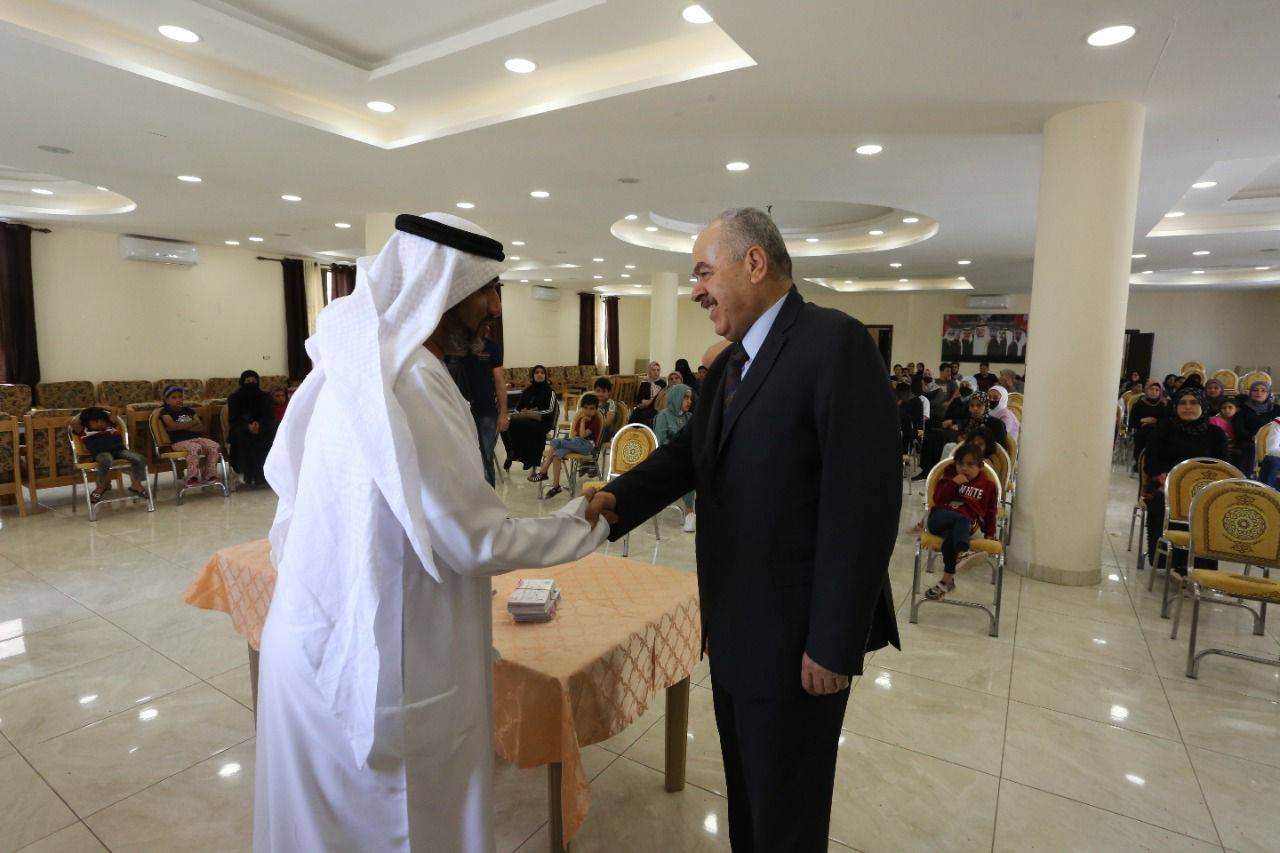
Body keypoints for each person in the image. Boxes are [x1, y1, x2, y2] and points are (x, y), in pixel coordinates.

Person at [255, 212, 608, 852]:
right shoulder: (412, 379)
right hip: (381, 669)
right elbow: (478, 541)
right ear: (442, 286)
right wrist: (584, 522)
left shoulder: (363, 362)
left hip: (317, 645)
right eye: (487, 290)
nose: (495, 308)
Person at [585, 207, 900, 851]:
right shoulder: (732, 364)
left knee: (788, 814)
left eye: (704, 273)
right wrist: (615, 499)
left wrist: (834, 644)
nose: (696, 290)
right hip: (735, 631)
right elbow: (688, 456)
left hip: (799, 643)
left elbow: (863, 505)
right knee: (750, 798)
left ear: (754, 263)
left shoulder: (834, 344)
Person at [1142, 386, 1228, 570]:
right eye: (1182, 403)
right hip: (1167, 485)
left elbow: (1222, 467)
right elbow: (1151, 462)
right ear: (1175, 406)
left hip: (1203, 489)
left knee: (1211, 509)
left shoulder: (1216, 434)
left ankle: (1201, 563)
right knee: (1161, 503)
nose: (1188, 407)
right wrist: (1163, 477)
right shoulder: (1164, 429)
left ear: (1203, 406)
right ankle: (1166, 560)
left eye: (1194, 402)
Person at [923, 442, 998, 601]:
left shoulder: (988, 486)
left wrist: (990, 533)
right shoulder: (950, 477)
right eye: (960, 464)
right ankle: (962, 553)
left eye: (970, 464)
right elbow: (938, 499)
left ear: (980, 466)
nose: (964, 468)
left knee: (952, 537)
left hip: (965, 525)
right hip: (940, 518)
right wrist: (953, 483)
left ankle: (946, 582)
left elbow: (991, 512)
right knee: (961, 520)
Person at [445, 322, 505, 487]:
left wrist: (503, 413)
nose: (487, 328)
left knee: (485, 458)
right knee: (462, 459)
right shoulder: (455, 347)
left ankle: (489, 499)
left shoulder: (491, 347)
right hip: (459, 412)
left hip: (486, 413)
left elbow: (499, 380)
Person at [529, 393, 601, 498]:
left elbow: (582, 435)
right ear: (582, 408)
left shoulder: (595, 421)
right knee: (556, 455)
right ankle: (556, 486)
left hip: (587, 446)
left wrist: (583, 422)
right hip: (576, 443)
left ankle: (543, 471)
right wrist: (580, 423)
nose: (588, 411)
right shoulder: (580, 418)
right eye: (585, 408)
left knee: (556, 442)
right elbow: (575, 435)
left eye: (591, 408)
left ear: (596, 409)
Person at [74, 406, 148, 503]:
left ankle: (136, 484)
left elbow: (114, 409)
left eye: (102, 420)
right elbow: (72, 422)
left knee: (140, 458)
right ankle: (101, 486)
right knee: (105, 460)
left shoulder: (110, 425)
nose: (100, 423)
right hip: (102, 453)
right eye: (95, 422)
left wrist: (99, 407)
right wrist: (86, 413)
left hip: (119, 451)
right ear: (87, 423)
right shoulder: (83, 431)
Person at [653, 383, 697, 532]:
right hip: (667, 459)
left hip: (687, 458)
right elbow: (660, 442)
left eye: (690, 398)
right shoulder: (663, 416)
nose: (689, 401)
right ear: (676, 397)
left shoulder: (690, 417)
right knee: (688, 471)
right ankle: (690, 513)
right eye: (685, 397)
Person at [159, 386, 223, 486]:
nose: (178, 399)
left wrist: (180, 427)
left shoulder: (189, 410)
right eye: (174, 397)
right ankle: (192, 478)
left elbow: (200, 427)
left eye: (180, 397)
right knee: (195, 448)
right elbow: (172, 425)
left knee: (214, 446)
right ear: (166, 400)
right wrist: (192, 423)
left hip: (196, 438)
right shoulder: (165, 411)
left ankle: (210, 475)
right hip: (179, 441)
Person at [227, 370, 277, 486]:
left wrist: (259, 424)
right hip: (241, 427)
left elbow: (269, 415)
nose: (251, 383)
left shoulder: (264, 397)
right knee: (242, 436)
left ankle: (267, 473)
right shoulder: (234, 398)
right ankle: (246, 473)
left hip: (262, 427)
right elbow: (234, 418)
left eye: (254, 381)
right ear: (242, 382)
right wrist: (247, 426)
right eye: (248, 381)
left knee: (271, 432)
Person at [504, 365, 555, 470]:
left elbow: (550, 410)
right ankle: (512, 453)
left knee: (520, 425)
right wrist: (522, 412)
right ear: (532, 376)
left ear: (545, 375)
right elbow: (517, 409)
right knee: (504, 426)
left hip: (543, 421)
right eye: (537, 372)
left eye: (542, 373)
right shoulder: (528, 391)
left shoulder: (550, 391)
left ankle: (527, 458)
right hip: (527, 420)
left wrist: (533, 412)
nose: (540, 374)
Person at [1236, 380, 1280, 477]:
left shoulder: (1277, 409)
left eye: (1263, 390)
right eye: (1255, 390)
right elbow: (1239, 429)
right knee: (1249, 448)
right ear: (1250, 392)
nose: (1259, 393)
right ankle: (1245, 479)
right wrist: (1253, 437)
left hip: (1274, 442)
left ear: (1268, 393)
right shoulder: (1243, 409)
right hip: (1250, 441)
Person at [1128, 380, 1168, 474]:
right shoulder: (1138, 404)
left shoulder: (1163, 406)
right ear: (1146, 390)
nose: (1154, 392)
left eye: (1157, 390)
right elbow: (1132, 422)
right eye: (1151, 389)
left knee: (1156, 436)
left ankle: (1153, 463)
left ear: (1160, 392)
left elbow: (1165, 422)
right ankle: (1140, 462)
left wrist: (1154, 422)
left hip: (1158, 431)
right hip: (1141, 430)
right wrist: (1142, 421)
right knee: (1144, 434)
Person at [1211, 398, 1246, 473]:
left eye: (1230, 407)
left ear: (1236, 409)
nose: (1227, 410)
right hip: (1219, 447)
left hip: (1235, 447)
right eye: (1224, 408)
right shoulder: (1213, 420)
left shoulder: (1239, 421)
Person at [630, 360, 667, 426]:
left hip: (657, 407)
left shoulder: (663, 383)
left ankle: (645, 431)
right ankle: (632, 430)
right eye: (653, 370)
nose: (656, 372)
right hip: (644, 406)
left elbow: (663, 399)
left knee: (644, 414)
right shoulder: (645, 382)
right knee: (636, 412)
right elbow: (639, 399)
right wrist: (645, 402)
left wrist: (650, 402)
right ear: (649, 371)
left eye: (658, 370)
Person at [592, 376, 626, 445]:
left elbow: (609, 420)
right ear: (594, 391)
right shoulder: (592, 401)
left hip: (604, 429)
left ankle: (591, 444)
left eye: (604, 391)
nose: (600, 394)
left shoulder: (611, 403)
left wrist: (596, 426)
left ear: (609, 392)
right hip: (591, 428)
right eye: (598, 391)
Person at [1258, 411, 1280, 488]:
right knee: (1272, 460)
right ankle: (1266, 492)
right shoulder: (1278, 422)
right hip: (1277, 457)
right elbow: (1271, 450)